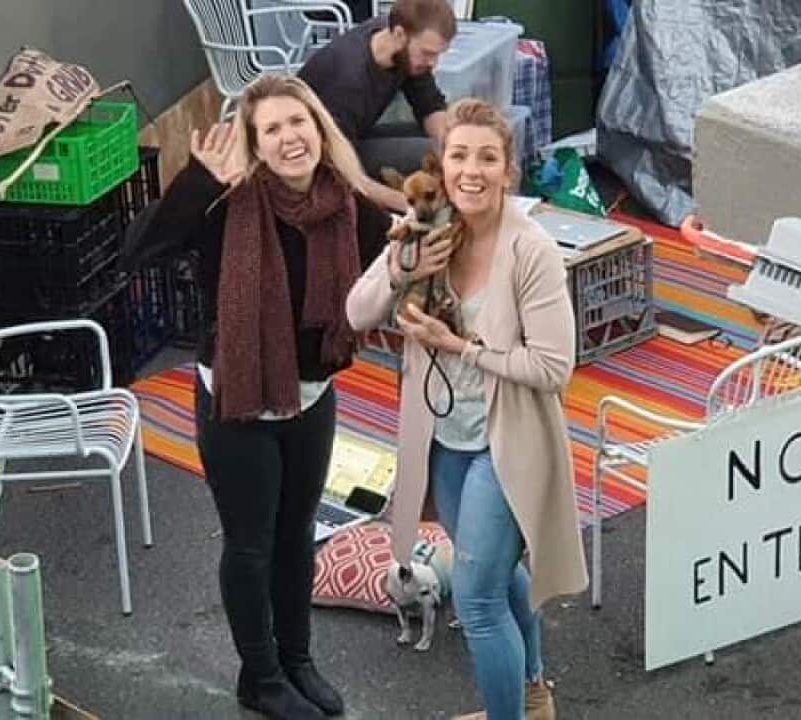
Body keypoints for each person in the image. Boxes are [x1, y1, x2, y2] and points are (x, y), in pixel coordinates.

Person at [120, 74, 390, 720]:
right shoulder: (227, 207)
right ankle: (260, 675)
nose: (290, 137)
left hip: (312, 396)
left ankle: (297, 660)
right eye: (272, 129)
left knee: (297, 535)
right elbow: (137, 252)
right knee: (251, 543)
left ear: (318, 129)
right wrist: (198, 182)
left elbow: (393, 269)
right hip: (237, 406)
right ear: (255, 144)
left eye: (298, 122)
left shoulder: (348, 205)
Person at [346, 98, 588, 720]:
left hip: (507, 442)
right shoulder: (431, 229)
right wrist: (404, 264)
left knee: (477, 600)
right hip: (444, 436)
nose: (470, 171)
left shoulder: (531, 251)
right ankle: (533, 692)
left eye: (487, 158)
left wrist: (461, 347)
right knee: (497, 569)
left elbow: (553, 368)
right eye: (459, 156)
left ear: (508, 170)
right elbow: (357, 312)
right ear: (441, 165)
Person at [299, 0, 458, 213]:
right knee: (428, 152)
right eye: (428, 53)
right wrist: (408, 205)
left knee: (449, 144)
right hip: (322, 158)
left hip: (354, 135)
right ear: (400, 35)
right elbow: (340, 172)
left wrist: (456, 146)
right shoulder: (348, 80)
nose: (433, 63)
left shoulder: (398, 45)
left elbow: (429, 104)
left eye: (438, 55)